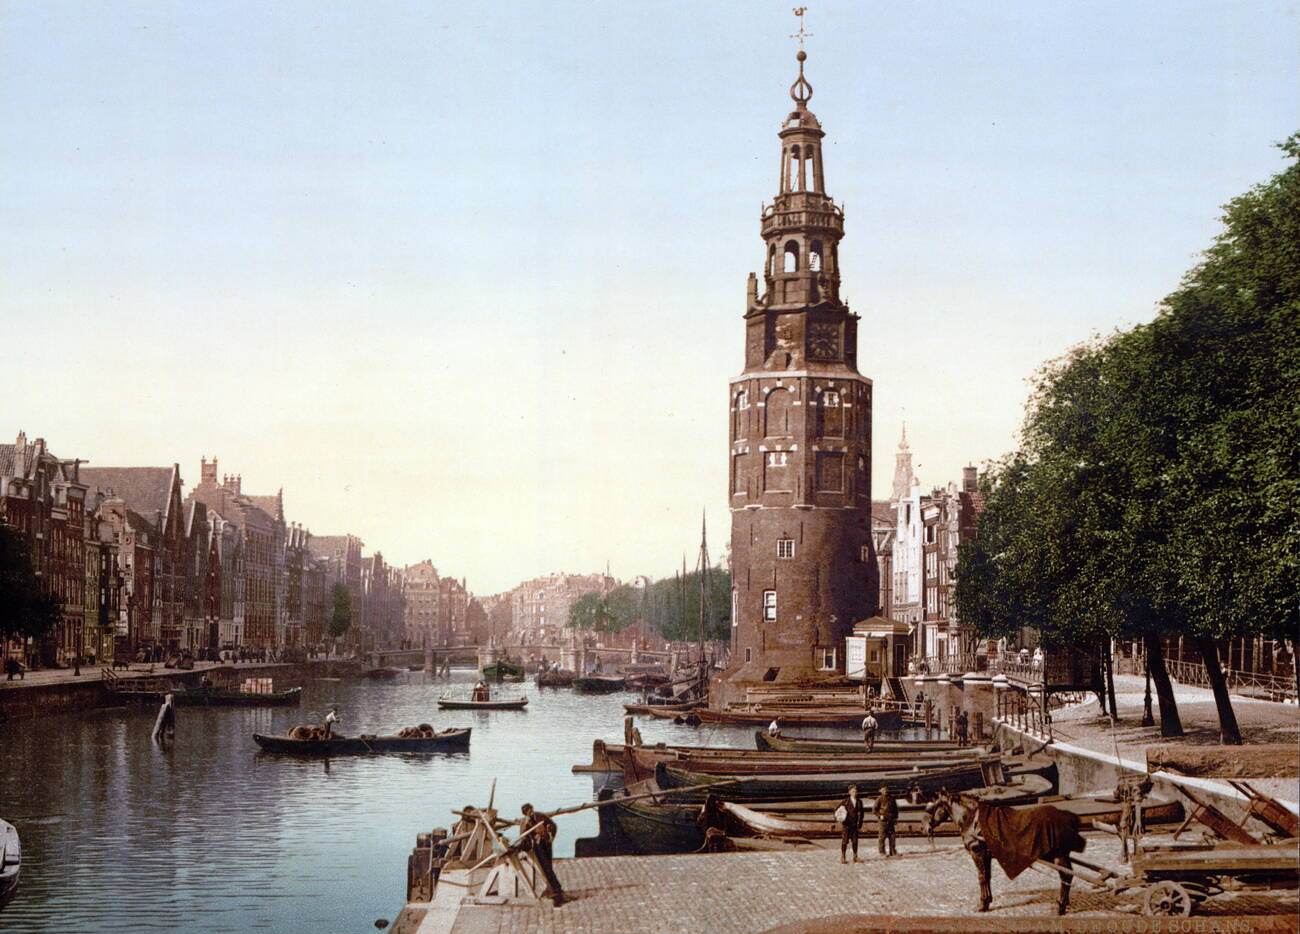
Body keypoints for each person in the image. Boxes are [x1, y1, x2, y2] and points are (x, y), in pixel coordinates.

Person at [519, 803, 564, 905]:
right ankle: (555, 889)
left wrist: (551, 836)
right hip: (537, 846)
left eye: (530, 811)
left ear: (532, 809)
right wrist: (526, 826)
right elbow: (522, 835)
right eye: (527, 813)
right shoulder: (524, 822)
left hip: (546, 843)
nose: (530, 813)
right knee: (545, 867)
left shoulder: (541, 816)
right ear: (525, 814)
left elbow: (553, 826)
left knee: (549, 866)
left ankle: (554, 889)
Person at [836, 784, 866, 863]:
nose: (855, 792)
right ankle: (843, 857)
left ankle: (855, 857)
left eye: (856, 791)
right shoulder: (845, 801)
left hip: (854, 825)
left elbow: (862, 814)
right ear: (849, 792)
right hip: (846, 825)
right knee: (844, 841)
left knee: (855, 841)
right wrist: (839, 819)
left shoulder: (859, 802)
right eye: (853, 791)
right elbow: (837, 811)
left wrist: (860, 823)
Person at [874, 784, 898, 857]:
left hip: (891, 820)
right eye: (883, 790)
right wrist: (880, 816)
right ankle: (882, 852)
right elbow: (874, 810)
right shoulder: (879, 799)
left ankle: (892, 851)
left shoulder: (892, 798)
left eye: (886, 789)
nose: (885, 791)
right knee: (882, 837)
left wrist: (895, 818)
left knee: (892, 836)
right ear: (880, 791)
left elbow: (896, 809)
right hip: (883, 821)